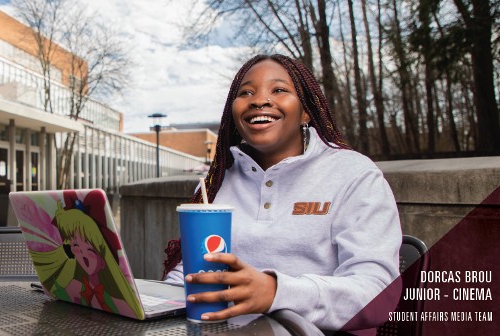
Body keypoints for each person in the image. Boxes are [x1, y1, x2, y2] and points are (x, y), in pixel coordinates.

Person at [163, 54, 402, 332]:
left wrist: (276, 292)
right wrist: (152, 303)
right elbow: (192, 274)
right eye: (246, 92)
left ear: (306, 111)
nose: (259, 100)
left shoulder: (355, 174)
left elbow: (378, 293)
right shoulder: (215, 182)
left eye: (279, 90)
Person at [26, 191, 143, 319]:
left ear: (103, 257)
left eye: (88, 246)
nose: (81, 252)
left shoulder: (123, 303)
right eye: (75, 245)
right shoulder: (70, 288)